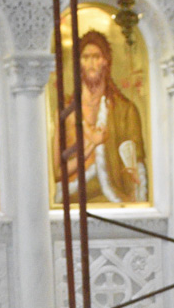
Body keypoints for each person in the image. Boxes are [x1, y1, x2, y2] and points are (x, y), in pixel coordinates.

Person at [53, 29, 148, 204]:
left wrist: (134, 179)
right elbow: (58, 173)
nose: (91, 63)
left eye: (96, 57)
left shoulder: (125, 110)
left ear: (106, 61)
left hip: (115, 196)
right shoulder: (67, 112)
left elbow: (136, 163)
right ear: (78, 63)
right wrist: (92, 145)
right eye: (85, 57)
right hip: (74, 197)